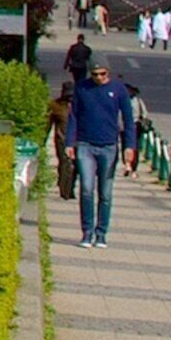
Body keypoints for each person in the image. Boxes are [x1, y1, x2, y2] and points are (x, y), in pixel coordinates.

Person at [65, 59, 137, 246]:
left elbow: (129, 120)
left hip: (108, 146)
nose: (98, 78)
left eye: (102, 74)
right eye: (95, 74)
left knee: (105, 192)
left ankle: (101, 233)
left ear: (109, 73)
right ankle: (87, 232)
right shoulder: (82, 88)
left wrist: (130, 146)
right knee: (87, 189)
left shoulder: (118, 90)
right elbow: (73, 116)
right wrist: (69, 142)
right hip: (85, 144)